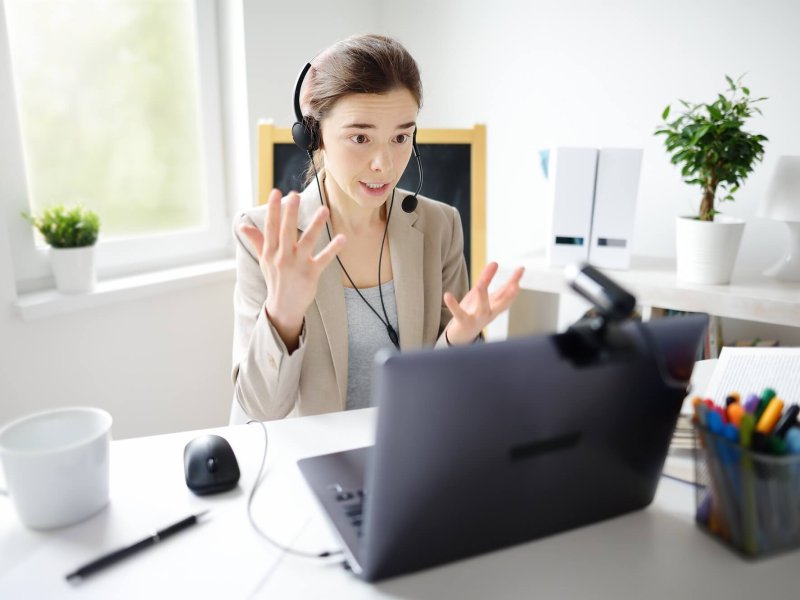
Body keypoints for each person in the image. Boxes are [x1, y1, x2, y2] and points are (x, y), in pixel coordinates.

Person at [231, 34, 524, 422]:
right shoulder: (265, 238)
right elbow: (259, 412)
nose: (383, 164)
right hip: (308, 464)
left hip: (407, 451)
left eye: (401, 137)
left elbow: (450, 397)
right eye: (360, 137)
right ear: (314, 136)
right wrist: (282, 316)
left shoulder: (440, 226)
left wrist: (457, 340)